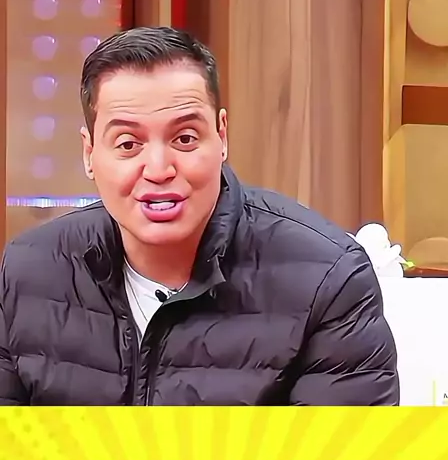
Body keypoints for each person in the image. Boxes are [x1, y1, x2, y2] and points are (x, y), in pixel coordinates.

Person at [0, 26, 399, 406]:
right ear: (89, 153)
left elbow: (340, 454)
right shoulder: (27, 272)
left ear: (221, 136)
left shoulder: (327, 279)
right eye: (128, 144)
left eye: (185, 138)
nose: (158, 169)